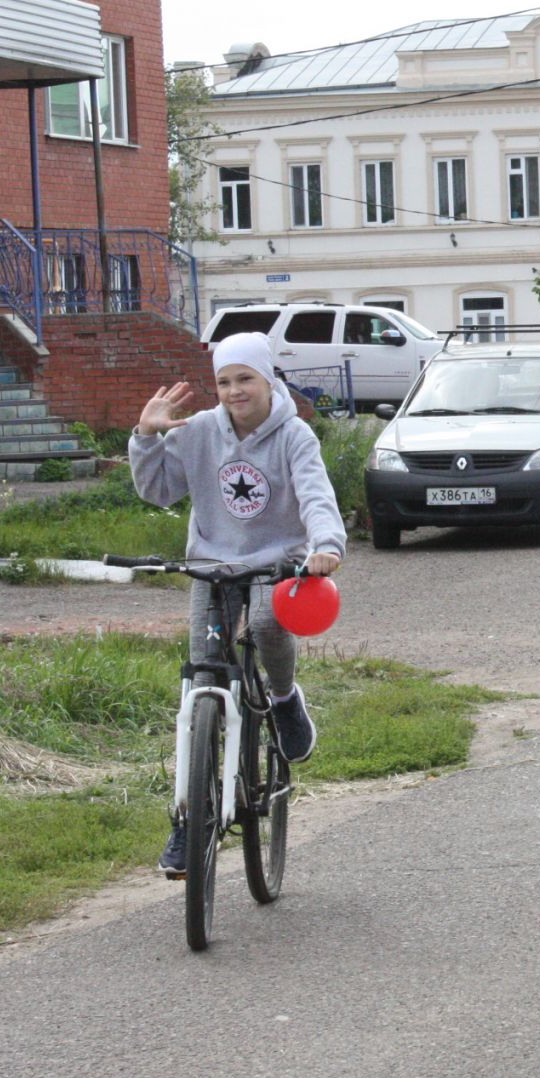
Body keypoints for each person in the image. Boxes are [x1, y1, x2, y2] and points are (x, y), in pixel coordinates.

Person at [129, 331, 347, 875]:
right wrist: (146, 436)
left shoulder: (293, 435)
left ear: (268, 379)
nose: (233, 390)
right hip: (211, 565)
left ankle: (283, 697)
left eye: (244, 378)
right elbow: (158, 491)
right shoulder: (199, 431)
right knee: (202, 681)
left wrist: (325, 546)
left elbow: (316, 494)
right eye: (224, 381)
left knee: (271, 626)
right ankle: (187, 821)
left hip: (277, 567)